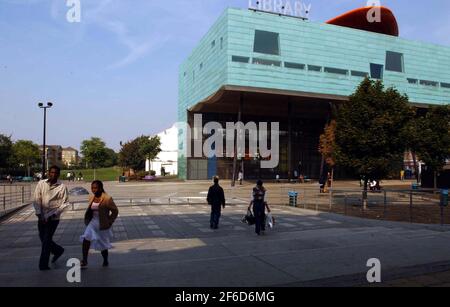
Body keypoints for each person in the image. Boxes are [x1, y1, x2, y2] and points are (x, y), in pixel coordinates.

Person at [33, 166, 69, 271]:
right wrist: (39, 215)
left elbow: (65, 203)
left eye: (56, 173)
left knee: (46, 240)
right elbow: (36, 199)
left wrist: (54, 215)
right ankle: (58, 250)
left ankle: (43, 265)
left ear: (58, 174)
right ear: (48, 173)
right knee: (43, 238)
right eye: (52, 172)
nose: (53, 174)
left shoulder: (62, 186)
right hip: (42, 216)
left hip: (53, 218)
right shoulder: (41, 184)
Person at [80, 181, 118, 268]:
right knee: (86, 238)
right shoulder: (91, 197)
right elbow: (90, 210)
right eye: (92, 188)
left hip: (103, 224)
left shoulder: (107, 198)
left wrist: (110, 221)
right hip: (92, 223)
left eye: (96, 188)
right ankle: (84, 260)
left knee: (103, 244)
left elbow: (115, 211)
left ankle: (105, 260)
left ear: (100, 188)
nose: (94, 190)